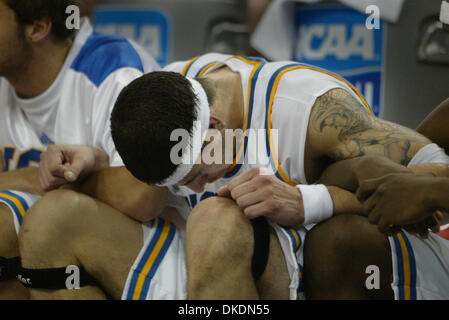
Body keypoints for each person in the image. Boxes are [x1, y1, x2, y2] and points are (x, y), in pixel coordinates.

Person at [30, 52, 449, 300]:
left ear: (214, 127)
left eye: (195, 174)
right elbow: (141, 194)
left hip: (341, 267)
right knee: (51, 219)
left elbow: (433, 175)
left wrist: (308, 199)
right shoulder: (169, 96)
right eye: (177, 182)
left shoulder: (309, 110)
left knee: (214, 219)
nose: (192, 188)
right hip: (222, 271)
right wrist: (96, 159)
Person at [0, 0, 159, 299]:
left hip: (155, 250)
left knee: (41, 220)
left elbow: (144, 194)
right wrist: (31, 178)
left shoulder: (113, 71)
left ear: (38, 27)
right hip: (66, 246)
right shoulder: (6, 80)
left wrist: (37, 181)